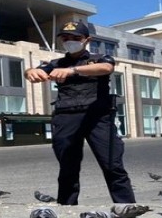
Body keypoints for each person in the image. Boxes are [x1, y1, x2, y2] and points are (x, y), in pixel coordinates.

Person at [25, 21, 136, 205]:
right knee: (68, 167)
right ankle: (67, 207)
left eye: (76, 38)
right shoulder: (55, 63)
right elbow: (35, 70)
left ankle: (127, 207)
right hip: (66, 118)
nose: (70, 41)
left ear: (87, 40)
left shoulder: (100, 58)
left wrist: (71, 71)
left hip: (98, 118)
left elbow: (106, 68)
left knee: (112, 164)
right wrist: (30, 72)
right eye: (66, 38)